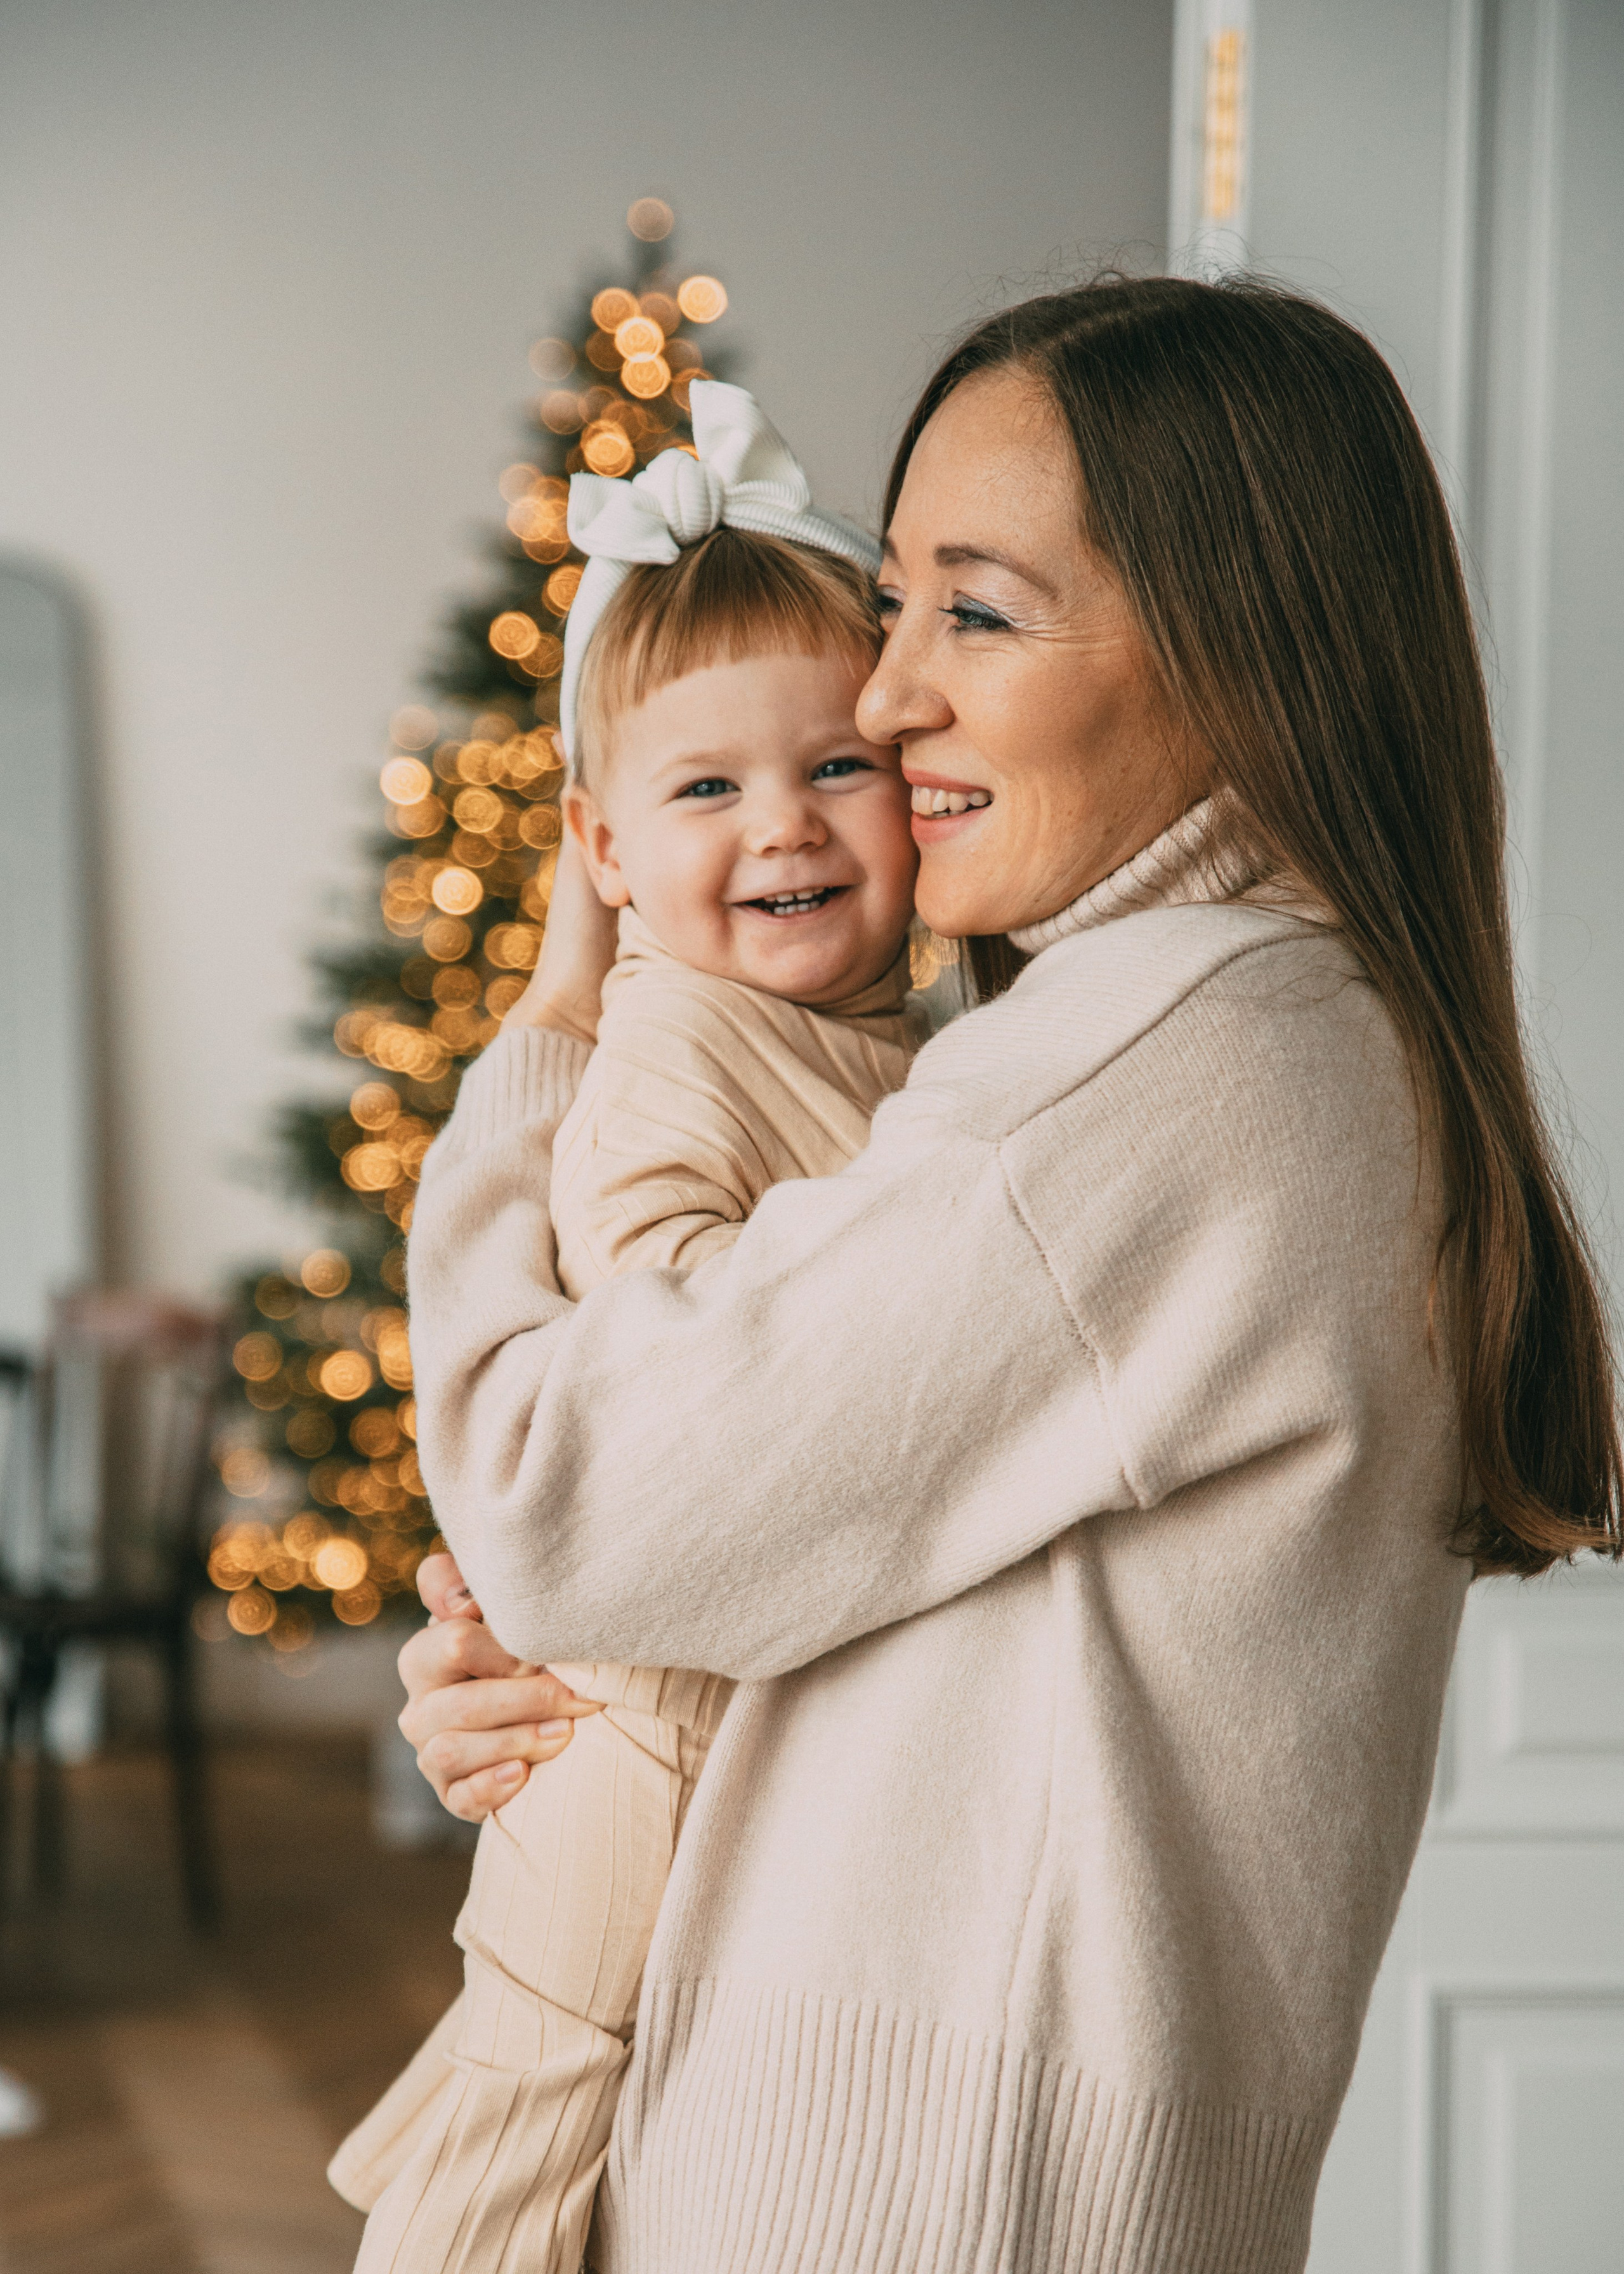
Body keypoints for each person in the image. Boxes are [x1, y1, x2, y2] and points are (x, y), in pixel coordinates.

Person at [391, 278, 1623, 2274]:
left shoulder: (1165, 1060)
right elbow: (799, 1578)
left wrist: (548, 1022)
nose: (881, 698)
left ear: (1238, 651)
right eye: (893, 604)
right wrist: (574, 1700)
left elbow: (557, 1490)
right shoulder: (1276, 1031)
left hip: (902, 2199)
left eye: (974, 609)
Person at [331, 387, 923, 2272]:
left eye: (841, 768)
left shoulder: (894, 1030)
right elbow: (653, 1325)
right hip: (633, 1741)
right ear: (597, 844)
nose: (787, 830)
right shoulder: (678, 1033)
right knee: (531, 2124)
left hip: (726, 1733)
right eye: (706, 790)